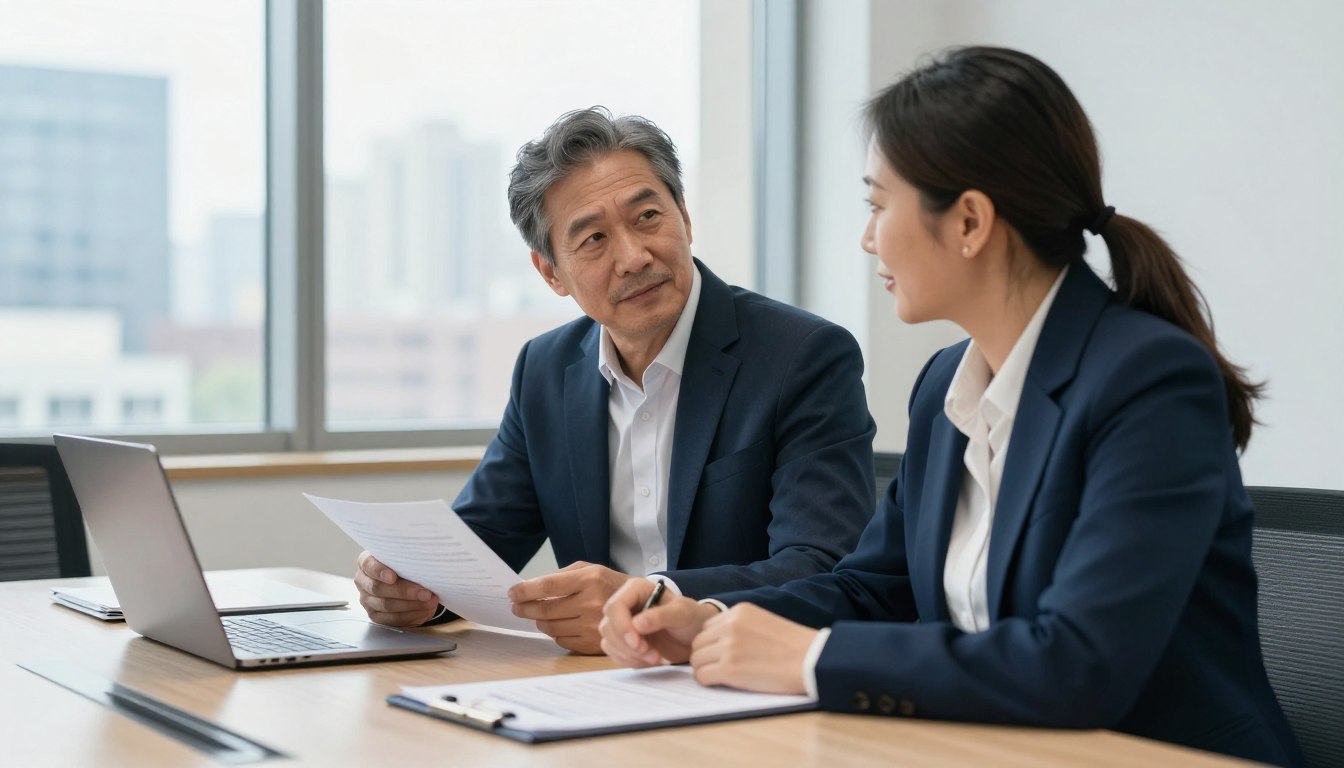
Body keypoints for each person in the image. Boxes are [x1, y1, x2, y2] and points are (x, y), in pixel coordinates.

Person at [600, 47, 1303, 766]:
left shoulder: (1149, 380)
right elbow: (875, 588)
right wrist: (712, 622)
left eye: (878, 205)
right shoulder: (945, 387)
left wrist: (812, 659)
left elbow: (1079, 664)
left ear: (969, 222)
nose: (867, 237)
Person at [354, 107, 876, 654]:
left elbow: (823, 565)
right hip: (598, 684)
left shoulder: (802, 356)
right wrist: (413, 590)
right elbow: (474, 551)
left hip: (744, 678)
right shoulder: (546, 369)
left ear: (685, 218)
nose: (633, 256)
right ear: (551, 272)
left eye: (648, 216)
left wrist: (649, 598)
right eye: (594, 239)